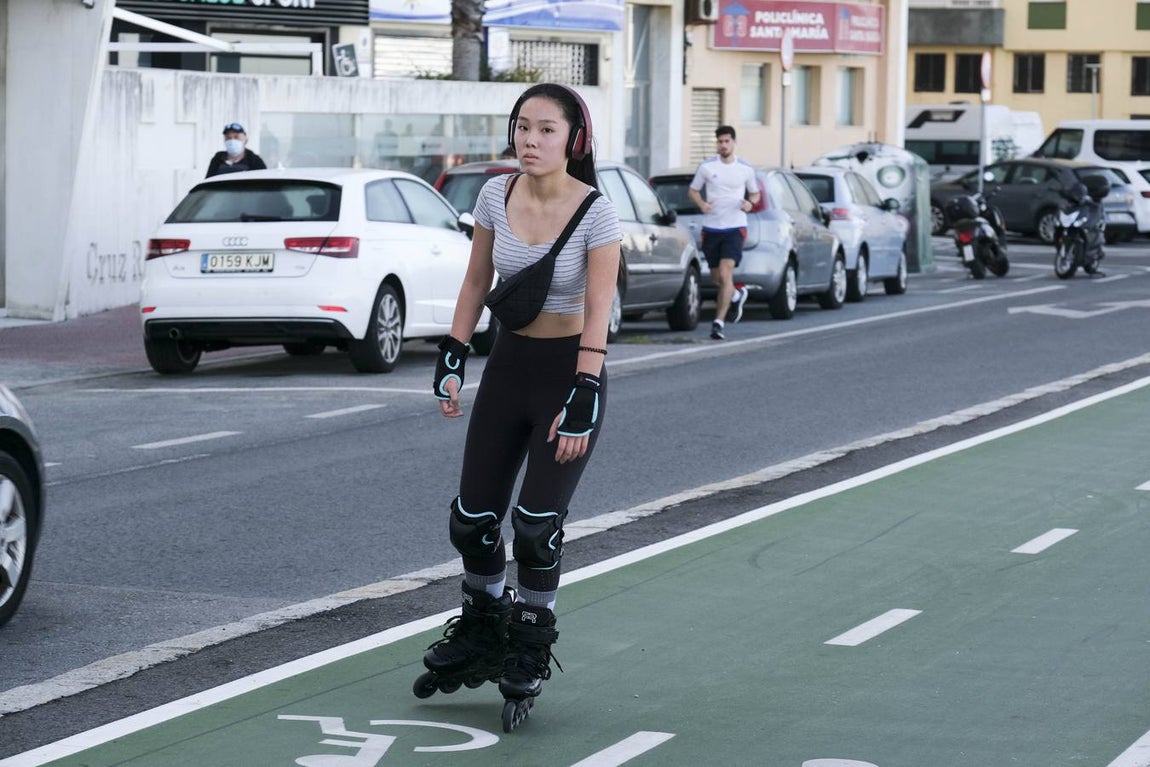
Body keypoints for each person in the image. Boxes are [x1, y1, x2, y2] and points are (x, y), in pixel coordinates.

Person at [417, 83, 621, 731]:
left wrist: (585, 390)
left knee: (535, 525)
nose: (529, 140)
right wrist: (454, 352)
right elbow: (477, 279)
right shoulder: (494, 195)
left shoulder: (596, 212)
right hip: (508, 367)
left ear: (574, 140)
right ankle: (483, 623)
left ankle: (529, 637)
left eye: (545, 130)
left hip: (568, 373)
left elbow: (598, 309)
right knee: (472, 520)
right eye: (521, 127)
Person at [688, 125, 760, 340]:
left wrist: (750, 204)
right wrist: (702, 204)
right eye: (720, 142)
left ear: (734, 143)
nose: (723, 145)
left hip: (735, 226)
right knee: (718, 278)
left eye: (727, 141)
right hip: (711, 227)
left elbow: (755, 194)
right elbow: (692, 191)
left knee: (726, 272)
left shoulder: (745, 168)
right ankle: (737, 294)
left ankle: (718, 323)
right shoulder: (707, 167)